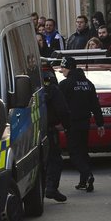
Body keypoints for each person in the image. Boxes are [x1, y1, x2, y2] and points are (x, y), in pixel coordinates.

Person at [58, 56, 104, 192]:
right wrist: (100, 123)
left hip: (71, 123)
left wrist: (57, 121)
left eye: (63, 68)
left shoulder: (65, 85)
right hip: (85, 123)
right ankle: (83, 181)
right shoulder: (88, 84)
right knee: (83, 151)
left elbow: (60, 106)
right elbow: (95, 105)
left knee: (74, 153)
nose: (62, 71)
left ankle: (87, 174)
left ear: (69, 68)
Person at [42, 67, 70, 203]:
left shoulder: (34, 89)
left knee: (41, 160)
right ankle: (51, 187)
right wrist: (66, 126)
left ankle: (43, 188)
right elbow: (63, 109)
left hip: (34, 129)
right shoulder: (53, 89)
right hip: (50, 129)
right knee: (55, 160)